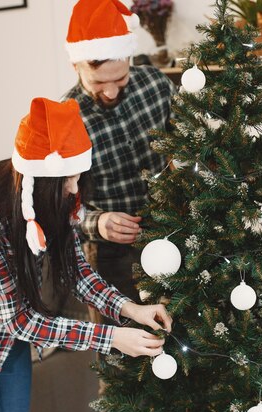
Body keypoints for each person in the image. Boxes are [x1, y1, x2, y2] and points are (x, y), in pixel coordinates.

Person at [0, 97, 172, 412]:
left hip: (10, 339)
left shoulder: (58, 199)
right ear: (40, 178)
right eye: (68, 178)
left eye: (78, 175)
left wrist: (131, 308)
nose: (74, 188)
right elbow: (20, 321)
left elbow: (77, 273)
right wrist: (112, 337)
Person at [63, 0, 177, 306]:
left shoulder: (156, 84)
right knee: (123, 346)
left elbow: (190, 144)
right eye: (99, 82)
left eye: (120, 79)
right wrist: (96, 223)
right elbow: (56, 208)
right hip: (110, 254)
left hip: (173, 231)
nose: (111, 91)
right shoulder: (65, 120)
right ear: (76, 66)